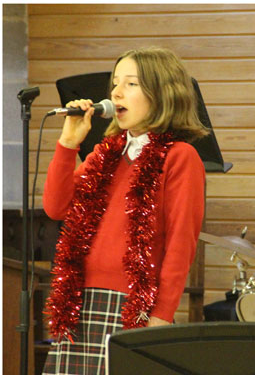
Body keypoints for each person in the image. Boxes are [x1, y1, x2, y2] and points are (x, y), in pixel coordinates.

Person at [41, 48, 208, 375]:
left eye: (130, 84)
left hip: (133, 309)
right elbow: (56, 206)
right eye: (115, 83)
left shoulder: (180, 157)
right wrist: (68, 144)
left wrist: (160, 314)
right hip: (80, 304)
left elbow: (181, 243)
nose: (116, 92)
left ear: (161, 94)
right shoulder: (106, 155)